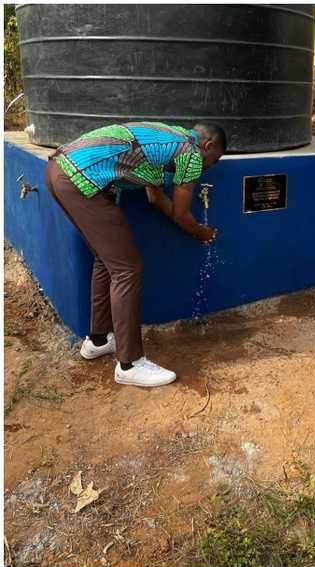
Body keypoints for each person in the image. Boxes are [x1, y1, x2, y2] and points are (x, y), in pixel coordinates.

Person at [46, 121, 225, 387]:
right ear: (207, 145)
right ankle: (130, 364)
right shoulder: (191, 152)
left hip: (59, 171)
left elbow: (156, 199)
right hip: (80, 178)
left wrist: (189, 225)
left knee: (107, 262)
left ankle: (98, 341)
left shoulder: (166, 143)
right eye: (216, 158)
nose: (212, 165)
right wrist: (200, 231)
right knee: (127, 270)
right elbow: (181, 213)